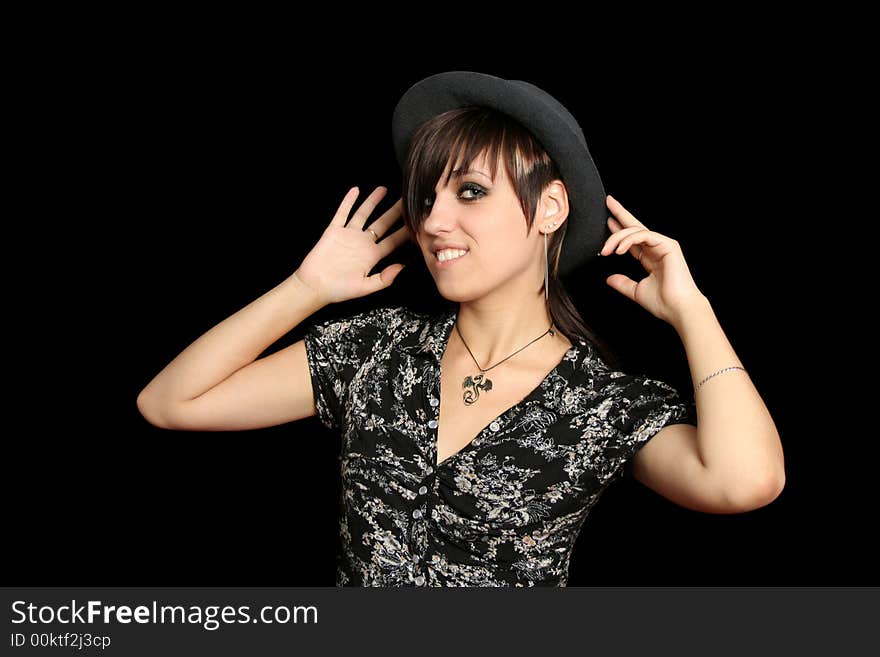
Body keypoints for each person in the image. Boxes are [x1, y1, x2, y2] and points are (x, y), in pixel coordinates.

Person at [137, 74, 785, 587]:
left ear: (550, 207)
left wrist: (693, 308)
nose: (434, 221)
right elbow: (170, 402)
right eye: (426, 198)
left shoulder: (602, 404)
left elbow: (744, 481)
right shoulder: (375, 347)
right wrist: (306, 289)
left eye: (470, 192)